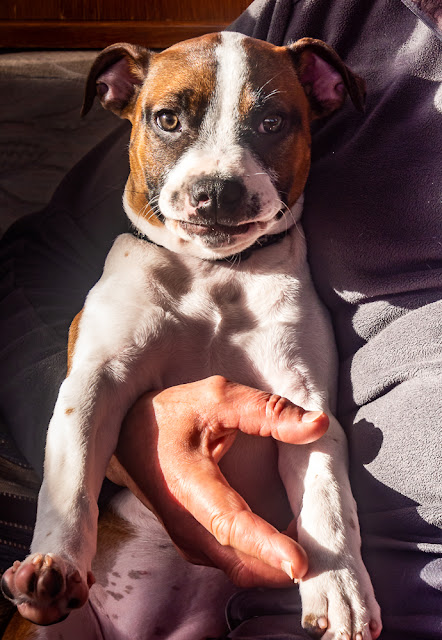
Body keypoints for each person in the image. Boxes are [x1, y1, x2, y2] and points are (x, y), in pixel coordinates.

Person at [0, 0, 441, 638]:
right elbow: (34, 268)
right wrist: (129, 442)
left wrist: (332, 560)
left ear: (329, 90)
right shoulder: (314, 19)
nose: (220, 176)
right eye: (174, 120)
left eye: (266, 123)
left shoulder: (288, 280)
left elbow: (311, 429)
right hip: (108, 591)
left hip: (298, 602)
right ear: (115, 91)